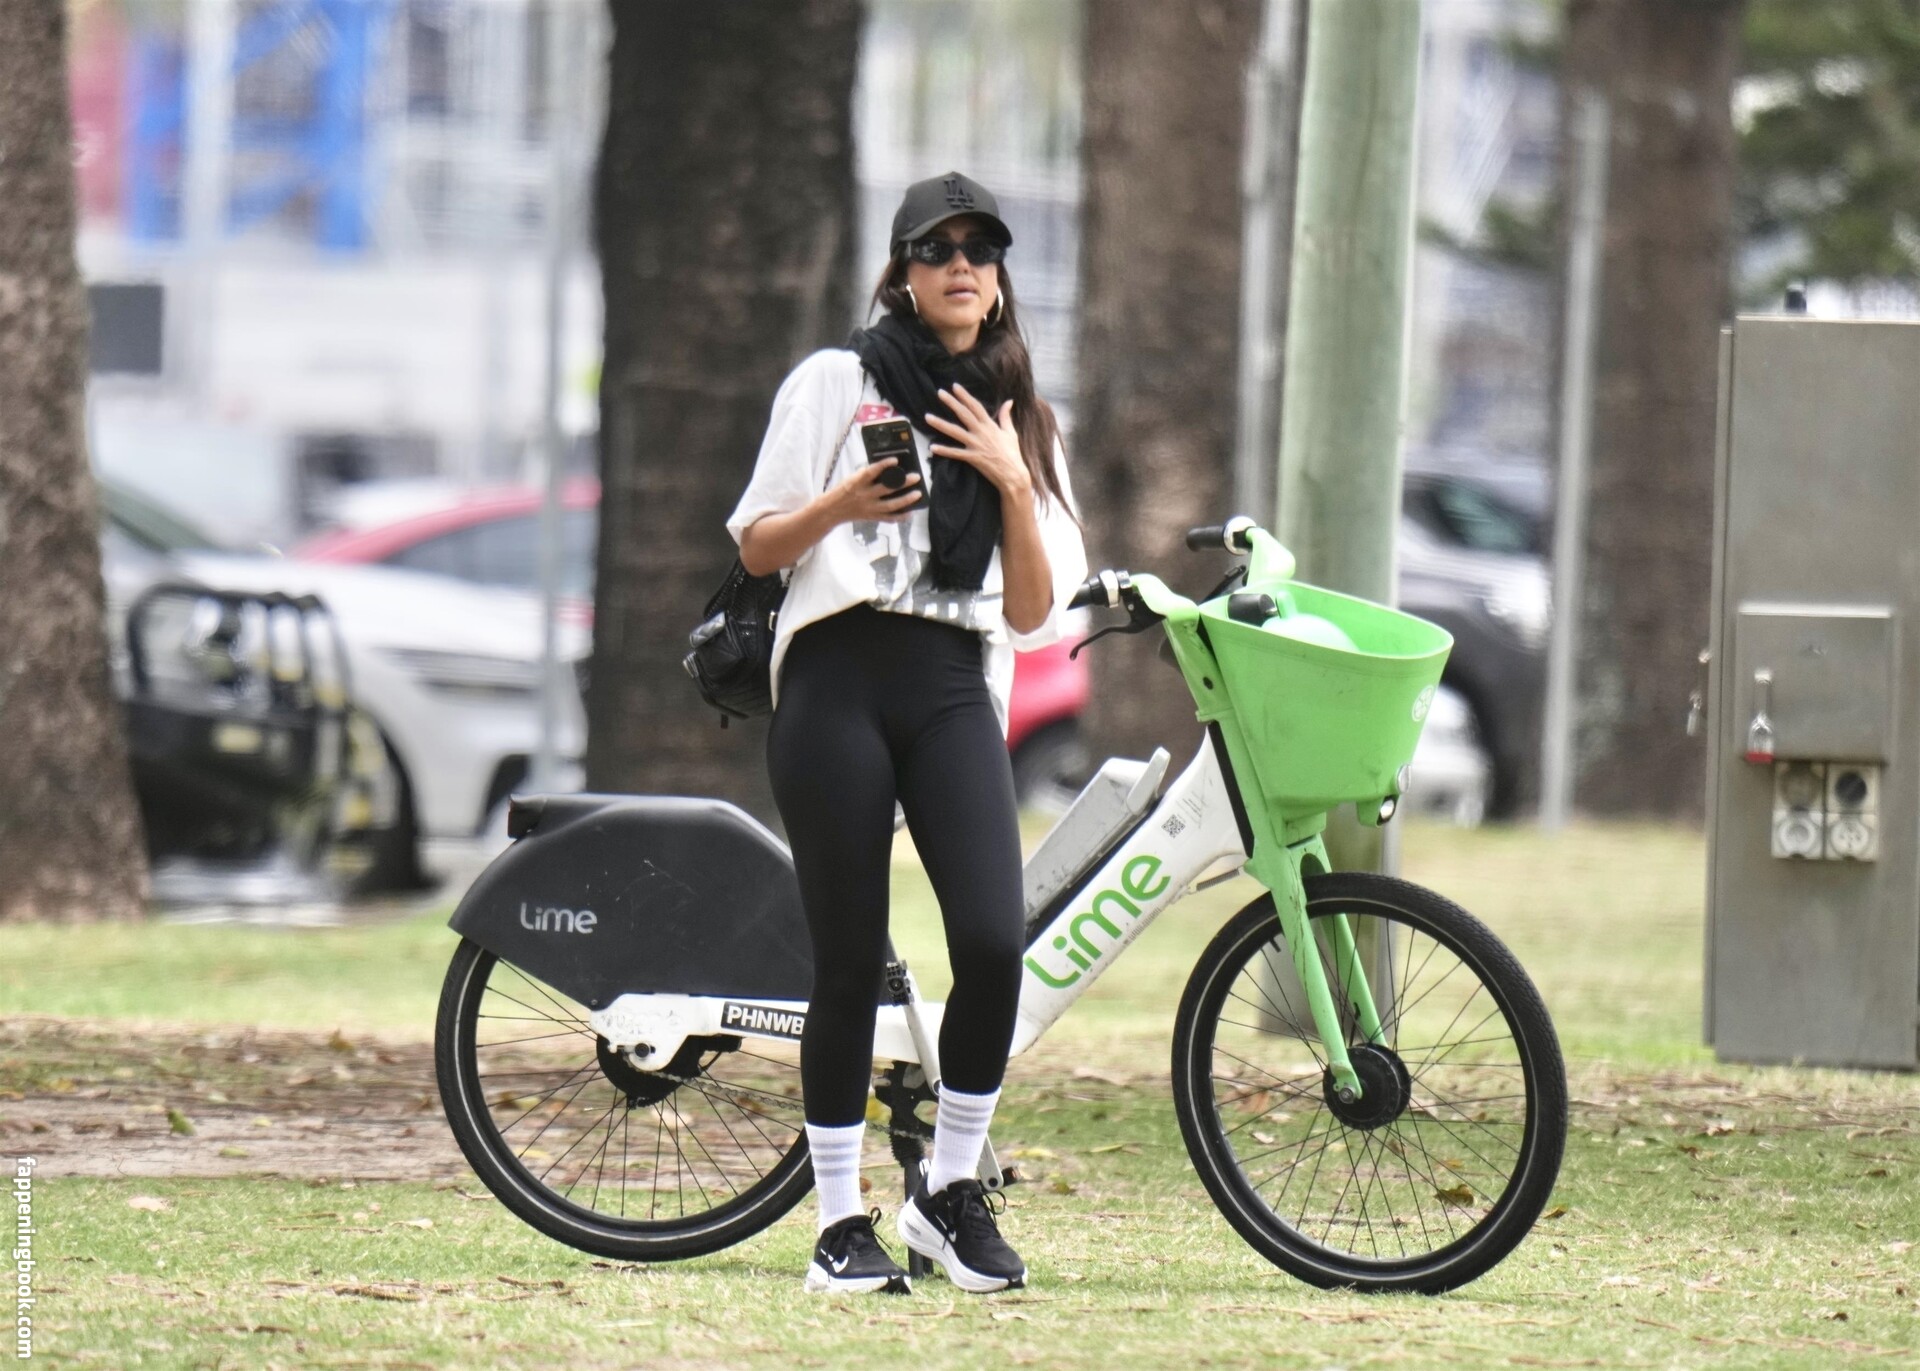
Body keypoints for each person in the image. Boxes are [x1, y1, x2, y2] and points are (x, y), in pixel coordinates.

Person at [725, 172, 1088, 1295]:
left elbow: (1031, 612)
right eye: (938, 250)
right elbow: (756, 546)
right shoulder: (837, 380)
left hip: (950, 686)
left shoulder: (1023, 417)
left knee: (991, 941)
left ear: (1000, 278)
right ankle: (840, 1222)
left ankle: (948, 1193)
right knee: (849, 959)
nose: (961, 266)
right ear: (903, 274)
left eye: (981, 249)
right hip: (835, 677)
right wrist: (842, 505)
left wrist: (1012, 486)